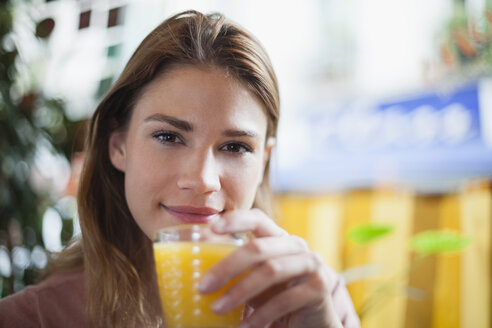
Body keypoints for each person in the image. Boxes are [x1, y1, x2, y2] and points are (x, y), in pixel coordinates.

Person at [0, 10, 360, 328]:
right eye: (168, 137)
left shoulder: (318, 302)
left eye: (236, 147)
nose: (203, 180)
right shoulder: (29, 319)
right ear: (118, 146)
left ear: (263, 159)